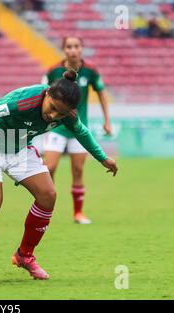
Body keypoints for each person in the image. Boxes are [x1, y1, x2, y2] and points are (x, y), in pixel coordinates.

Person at [0, 70, 118, 279]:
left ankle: (24, 256)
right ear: (47, 94)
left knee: (48, 196)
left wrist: (103, 158)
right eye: (53, 108)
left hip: (19, 148)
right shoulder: (23, 102)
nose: (54, 116)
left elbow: (81, 132)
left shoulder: (68, 114)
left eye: (61, 114)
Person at [34, 36, 112, 225]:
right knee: (49, 167)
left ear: (81, 49)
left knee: (77, 170)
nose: (73, 50)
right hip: (57, 127)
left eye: (76, 46)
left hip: (78, 128)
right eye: (69, 46)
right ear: (64, 49)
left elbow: (101, 93)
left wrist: (106, 120)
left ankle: (78, 213)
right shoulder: (54, 71)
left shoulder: (91, 71)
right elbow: (40, 93)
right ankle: (44, 207)